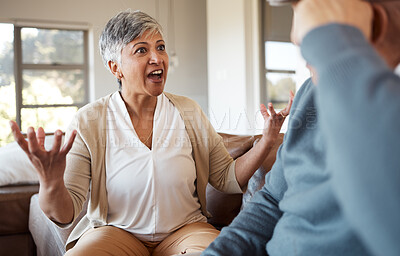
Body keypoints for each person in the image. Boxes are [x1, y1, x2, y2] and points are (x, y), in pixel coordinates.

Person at [9, 10, 293, 256]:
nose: (157, 58)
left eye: (161, 47)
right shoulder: (90, 120)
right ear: (115, 67)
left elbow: (226, 178)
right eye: (142, 50)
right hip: (116, 232)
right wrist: (50, 182)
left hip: (186, 229)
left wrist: (267, 140)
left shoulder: (189, 111)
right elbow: (64, 213)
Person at [202, 0, 400, 255]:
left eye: (311, 41)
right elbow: (272, 200)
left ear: (373, 25)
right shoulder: (311, 93)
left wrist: (333, 50)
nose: (305, 57)